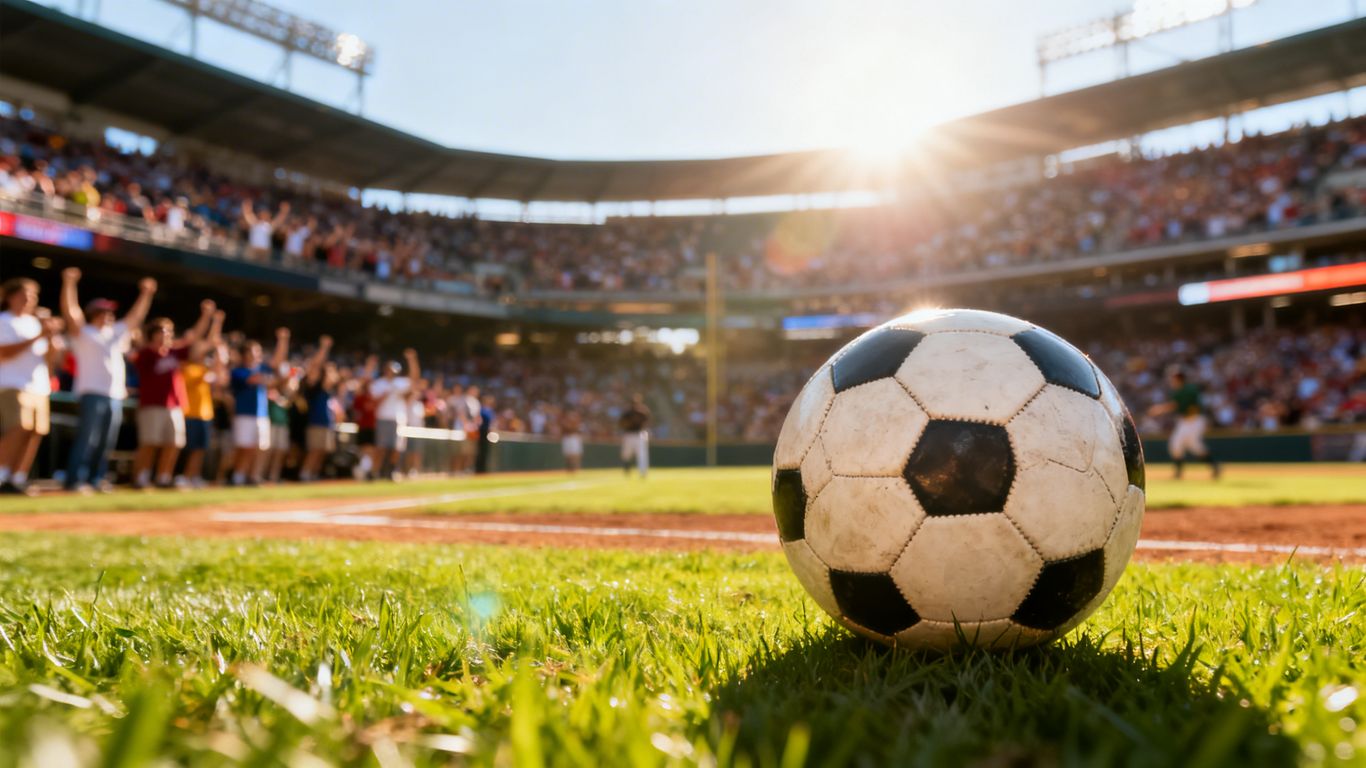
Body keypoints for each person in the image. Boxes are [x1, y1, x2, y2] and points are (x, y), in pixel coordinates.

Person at [59, 269, 155, 493]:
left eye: (111, 313)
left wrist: (146, 294)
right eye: (104, 312)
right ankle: (74, 480)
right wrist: (69, 283)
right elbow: (70, 311)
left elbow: (135, 317)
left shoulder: (115, 334)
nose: (109, 316)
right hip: (91, 392)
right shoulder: (85, 332)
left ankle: (95, 479)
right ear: (94, 314)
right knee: (87, 439)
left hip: (114, 395)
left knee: (106, 442)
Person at [131, 301, 214, 489]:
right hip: (152, 404)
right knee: (149, 442)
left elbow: (195, 337)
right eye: (163, 331)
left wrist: (206, 316)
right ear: (153, 334)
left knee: (173, 443)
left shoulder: (174, 353)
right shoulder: (146, 354)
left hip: (174, 405)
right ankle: (141, 477)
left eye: (169, 332)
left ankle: (163, 477)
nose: (167, 335)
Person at [0, 278, 63, 496]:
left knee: (36, 431)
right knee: (19, 427)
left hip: (39, 385)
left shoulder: (36, 323)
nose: (29, 299)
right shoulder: (4, 320)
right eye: (24, 294)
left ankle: (18, 477)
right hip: (12, 383)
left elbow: (51, 359)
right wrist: (39, 335)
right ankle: (1, 475)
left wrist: (51, 337)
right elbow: (4, 353)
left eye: (33, 295)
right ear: (10, 296)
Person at [228, 328, 288, 486]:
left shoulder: (261, 368)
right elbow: (257, 379)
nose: (256, 354)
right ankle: (237, 476)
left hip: (261, 414)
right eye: (253, 351)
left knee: (259, 448)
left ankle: (252, 476)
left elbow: (277, 361)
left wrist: (282, 341)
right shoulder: (238, 371)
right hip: (244, 414)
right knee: (244, 448)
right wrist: (276, 379)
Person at [178, 310, 226, 488]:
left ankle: (193, 476)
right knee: (186, 449)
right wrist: (212, 322)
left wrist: (217, 324)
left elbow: (220, 376)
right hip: (189, 412)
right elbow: (206, 344)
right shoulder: (185, 366)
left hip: (205, 414)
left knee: (200, 449)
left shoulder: (205, 369)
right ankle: (181, 476)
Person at [1150, 368, 1221, 480]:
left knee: (1194, 445)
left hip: (1194, 420)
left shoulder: (1188, 389)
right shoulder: (1179, 391)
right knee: (1176, 445)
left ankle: (1214, 466)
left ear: (1178, 379)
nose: (1171, 381)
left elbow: (1180, 405)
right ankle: (1179, 472)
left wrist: (1160, 409)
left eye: (1172, 379)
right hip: (1184, 422)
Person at [370, 348, 419, 481]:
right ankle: (375, 471)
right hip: (383, 417)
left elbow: (414, 378)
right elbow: (373, 401)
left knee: (396, 448)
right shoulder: (379, 383)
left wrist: (412, 360)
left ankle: (390, 470)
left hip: (398, 418)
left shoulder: (400, 382)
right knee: (381, 447)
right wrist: (384, 396)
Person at [299, 335, 338, 482]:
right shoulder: (315, 387)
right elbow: (315, 367)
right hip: (315, 422)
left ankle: (313, 474)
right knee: (314, 450)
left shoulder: (329, 392)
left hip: (326, 423)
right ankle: (305, 473)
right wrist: (324, 348)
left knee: (322, 451)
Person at [619, 393, 651, 478]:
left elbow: (646, 421)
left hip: (639, 434)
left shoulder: (642, 412)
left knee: (642, 454)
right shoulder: (627, 413)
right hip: (629, 434)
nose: (635, 404)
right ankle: (627, 466)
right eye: (634, 402)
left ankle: (643, 472)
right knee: (626, 454)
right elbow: (621, 423)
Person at [475, 393, 496, 474]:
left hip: (487, 433)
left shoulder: (490, 411)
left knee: (485, 452)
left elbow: (492, 423)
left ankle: (484, 469)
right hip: (481, 432)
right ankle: (479, 469)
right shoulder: (481, 410)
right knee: (480, 452)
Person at [561, 408, 583, 474]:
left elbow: (575, 428)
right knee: (568, 456)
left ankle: (576, 470)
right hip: (567, 438)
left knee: (576, 455)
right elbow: (565, 429)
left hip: (574, 437)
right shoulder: (564, 421)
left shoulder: (577, 421)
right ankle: (569, 470)